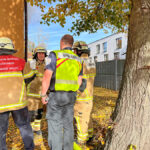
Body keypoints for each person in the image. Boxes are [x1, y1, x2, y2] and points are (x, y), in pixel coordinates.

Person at [41, 34, 83, 150]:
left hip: (56, 96)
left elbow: (47, 76)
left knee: (55, 125)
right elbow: (79, 81)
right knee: (68, 124)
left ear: (61, 42)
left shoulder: (55, 55)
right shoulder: (78, 59)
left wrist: (43, 94)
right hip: (71, 97)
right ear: (71, 44)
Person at [0, 37, 34, 150]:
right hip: (19, 103)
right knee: (24, 127)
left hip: (1, 105)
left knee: (1, 132)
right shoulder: (21, 62)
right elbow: (30, 76)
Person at [73, 41, 96, 149]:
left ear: (79, 50)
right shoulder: (91, 61)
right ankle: (90, 136)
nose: (74, 52)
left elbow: (79, 81)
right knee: (87, 117)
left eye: (75, 50)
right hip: (89, 96)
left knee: (80, 119)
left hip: (81, 97)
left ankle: (81, 142)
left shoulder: (79, 62)